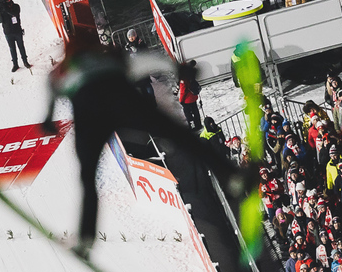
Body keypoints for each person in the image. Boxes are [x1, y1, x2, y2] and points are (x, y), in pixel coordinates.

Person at [42, 33, 246, 258]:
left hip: (89, 114)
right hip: (122, 100)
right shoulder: (108, 57)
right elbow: (146, 61)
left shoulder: (63, 69)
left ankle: (86, 238)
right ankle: (230, 175)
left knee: (88, 175)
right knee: (179, 136)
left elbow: (51, 86)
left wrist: (49, 118)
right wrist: (179, 70)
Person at [0, 0, 31, 73]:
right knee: (12, 49)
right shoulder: (2, 8)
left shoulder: (16, 6)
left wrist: (5, 8)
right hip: (8, 32)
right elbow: (0, 20)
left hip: (17, 30)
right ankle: (15, 64)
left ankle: (25, 62)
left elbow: (14, 14)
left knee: (21, 47)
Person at [177, 60, 202, 129]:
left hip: (186, 100)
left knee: (189, 115)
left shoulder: (183, 79)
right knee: (196, 112)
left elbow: (183, 91)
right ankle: (198, 124)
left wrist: (181, 100)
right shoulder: (191, 76)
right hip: (193, 97)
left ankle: (192, 127)